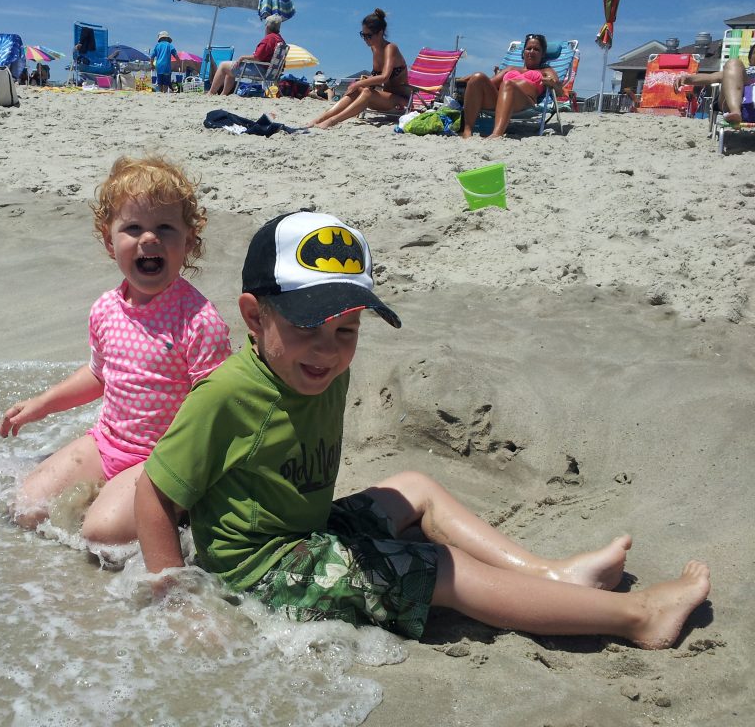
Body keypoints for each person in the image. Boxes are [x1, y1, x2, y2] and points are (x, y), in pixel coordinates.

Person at [134, 210, 712, 649]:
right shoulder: (228, 395)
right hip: (261, 572)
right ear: (255, 317)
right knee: (437, 571)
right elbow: (154, 493)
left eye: (347, 330)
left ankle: (552, 574)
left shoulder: (321, 372)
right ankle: (638, 617)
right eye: (308, 324)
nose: (326, 351)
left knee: (414, 484)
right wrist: (177, 600)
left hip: (307, 534)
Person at [0, 156, 232, 541]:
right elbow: (98, 375)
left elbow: (218, 409)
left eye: (165, 228)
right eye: (134, 227)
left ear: (188, 241)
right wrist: (42, 404)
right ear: (110, 241)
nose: (149, 238)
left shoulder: (199, 321)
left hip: (164, 458)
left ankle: (170, 509)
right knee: (25, 507)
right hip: (106, 441)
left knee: (99, 534)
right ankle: (112, 497)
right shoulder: (106, 309)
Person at [307, 9, 410, 129]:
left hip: (401, 102)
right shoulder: (374, 49)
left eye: (368, 36)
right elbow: (375, 78)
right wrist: (357, 86)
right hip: (385, 99)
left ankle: (332, 121)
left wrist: (358, 84)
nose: (365, 39)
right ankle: (320, 118)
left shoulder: (390, 48)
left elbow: (385, 76)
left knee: (364, 90)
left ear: (380, 33)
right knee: (357, 89)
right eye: (363, 35)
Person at [456, 33, 562, 139]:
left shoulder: (546, 70)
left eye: (536, 49)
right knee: (477, 77)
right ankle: (467, 131)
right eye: (528, 48)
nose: (531, 52)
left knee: (508, 84)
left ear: (542, 54)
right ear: (523, 52)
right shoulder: (511, 68)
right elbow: (490, 83)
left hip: (525, 102)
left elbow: (559, 91)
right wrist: (474, 79)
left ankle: (497, 134)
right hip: (500, 99)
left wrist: (551, 83)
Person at [674, 42, 755, 125]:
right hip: (739, 104)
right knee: (733, 63)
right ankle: (735, 112)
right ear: (750, 59)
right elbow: (711, 78)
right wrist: (688, 78)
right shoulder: (739, 72)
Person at [207, 15, 284, 97]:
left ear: (267, 27)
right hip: (269, 71)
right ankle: (223, 94)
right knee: (229, 70)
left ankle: (211, 93)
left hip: (260, 70)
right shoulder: (280, 40)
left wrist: (242, 57)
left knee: (223, 66)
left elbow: (257, 58)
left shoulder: (269, 39)